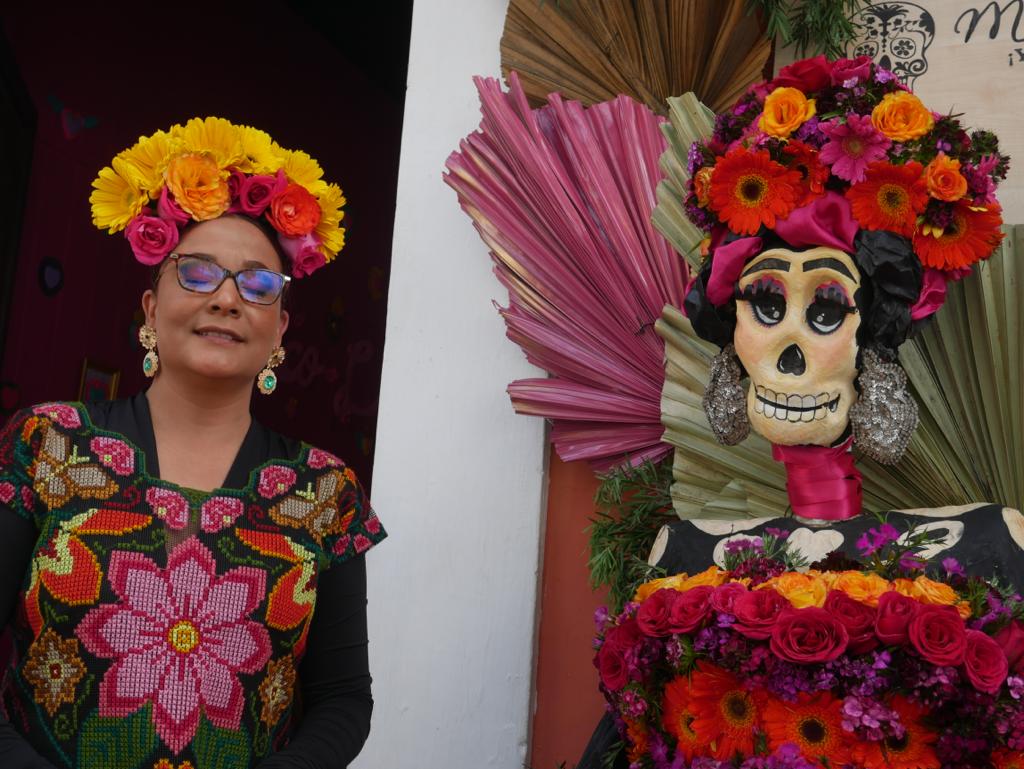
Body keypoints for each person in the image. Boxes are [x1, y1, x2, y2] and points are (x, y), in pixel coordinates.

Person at [0, 117, 385, 768]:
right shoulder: (46, 445)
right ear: (151, 310)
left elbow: (343, 699)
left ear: (279, 330)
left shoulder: (326, 493)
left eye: (258, 283)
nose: (228, 298)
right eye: (199, 273)